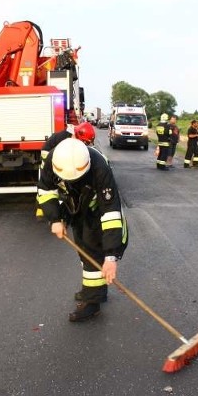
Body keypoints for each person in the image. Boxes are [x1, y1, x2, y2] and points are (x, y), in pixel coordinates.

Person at [37, 138, 128, 322]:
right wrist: (55, 219)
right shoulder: (53, 160)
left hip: (96, 208)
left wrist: (111, 256)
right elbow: (46, 191)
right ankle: (92, 290)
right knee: (83, 248)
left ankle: (92, 302)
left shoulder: (100, 167)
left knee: (92, 250)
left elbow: (110, 211)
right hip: (74, 205)